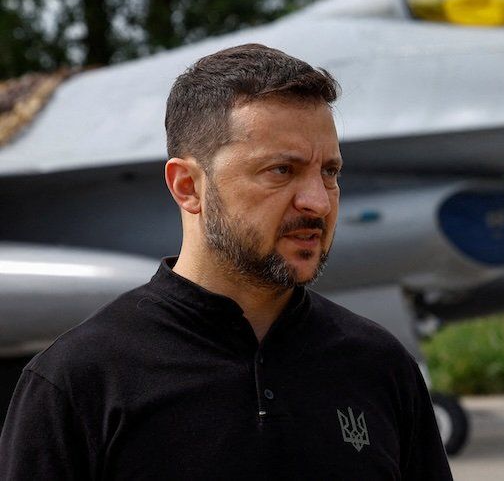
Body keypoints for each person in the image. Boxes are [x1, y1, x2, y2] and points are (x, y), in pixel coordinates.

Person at [0, 44, 453, 479]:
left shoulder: (380, 367)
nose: (318, 201)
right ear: (188, 186)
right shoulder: (78, 383)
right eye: (281, 170)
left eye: (329, 172)